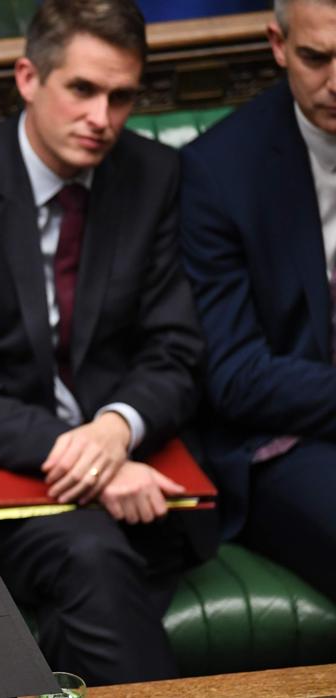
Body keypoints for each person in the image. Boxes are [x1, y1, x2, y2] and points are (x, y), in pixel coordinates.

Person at [0, 0, 209, 685]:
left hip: (141, 474)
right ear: (28, 77)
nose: (103, 118)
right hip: (6, 479)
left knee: (91, 590)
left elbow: (176, 350)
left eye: (122, 96)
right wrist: (93, 461)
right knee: (90, 557)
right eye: (83, 89)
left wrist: (118, 430)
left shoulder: (152, 176)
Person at [179, 0, 336, 603]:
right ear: (278, 44)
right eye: (315, 58)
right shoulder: (220, 171)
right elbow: (237, 378)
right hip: (281, 445)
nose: (333, 82)